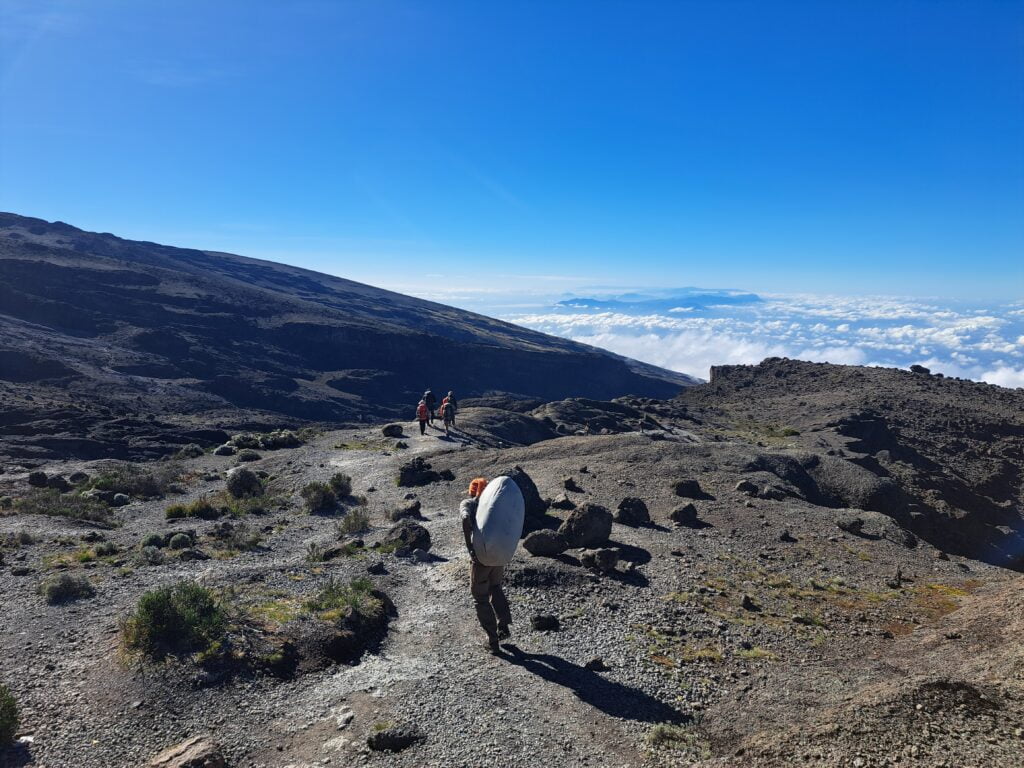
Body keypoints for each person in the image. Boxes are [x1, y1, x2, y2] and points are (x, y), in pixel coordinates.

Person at [461, 477, 512, 654]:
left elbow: (465, 519)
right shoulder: (494, 504)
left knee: (480, 597)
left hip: (481, 557)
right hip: (499, 553)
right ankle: (503, 624)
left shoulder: (468, 503)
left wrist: (470, 547)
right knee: (496, 587)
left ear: (472, 490)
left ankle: (493, 641)